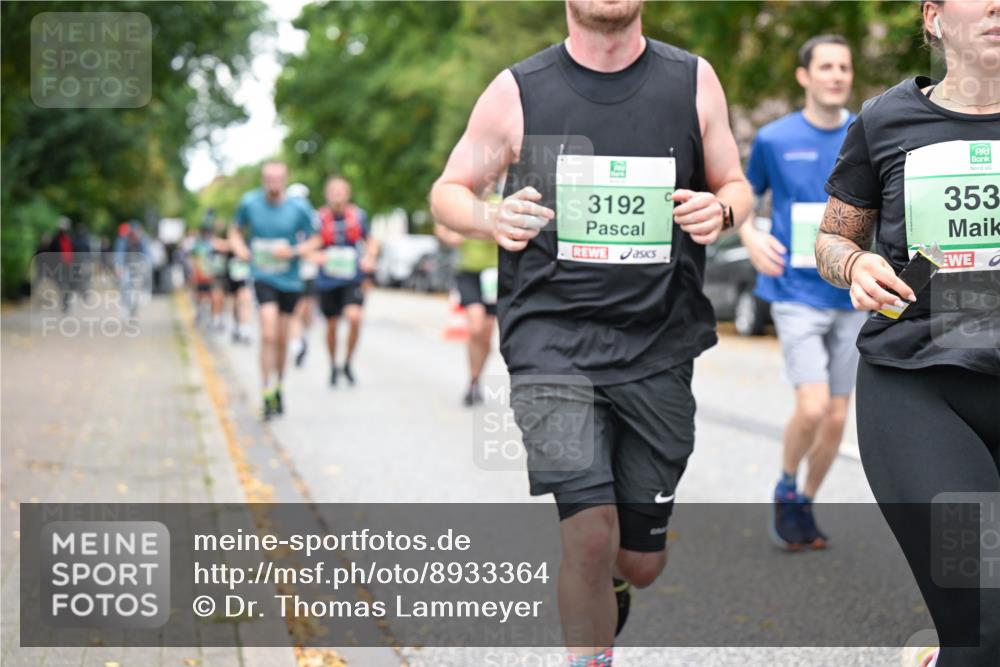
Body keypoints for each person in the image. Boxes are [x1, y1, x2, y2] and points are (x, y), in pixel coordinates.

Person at [430, 1, 752, 662]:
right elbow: (448, 189)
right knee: (586, 534)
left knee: (638, 560)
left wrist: (719, 209)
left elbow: (737, 185)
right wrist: (490, 218)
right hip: (551, 340)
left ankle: (613, 582)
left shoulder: (692, 80)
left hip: (659, 343)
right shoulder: (519, 91)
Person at [816, 2, 999, 666]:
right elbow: (834, 237)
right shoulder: (887, 120)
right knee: (987, 620)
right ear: (934, 17)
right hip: (921, 390)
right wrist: (857, 263)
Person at [740, 34, 867, 550]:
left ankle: (804, 500)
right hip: (794, 290)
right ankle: (787, 483)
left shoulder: (868, 130)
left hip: (853, 291)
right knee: (813, 406)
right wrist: (749, 235)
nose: (837, 75)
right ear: (804, 76)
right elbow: (743, 198)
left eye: (844, 66)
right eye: (826, 66)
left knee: (838, 416)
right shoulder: (773, 138)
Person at [229, 161, 321, 419]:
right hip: (263, 275)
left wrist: (292, 251)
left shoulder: (299, 207)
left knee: (281, 338)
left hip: (290, 280)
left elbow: (317, 238)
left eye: (277, 178)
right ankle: (265, 389)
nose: (273, 183)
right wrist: (240, 249)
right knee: (268, 332)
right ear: (262, 179)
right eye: (268, 178)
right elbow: (235, 231)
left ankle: (279, 385)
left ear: (285, 179)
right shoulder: (250, 203)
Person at [434, 185, 500, 406]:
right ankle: (472, 380)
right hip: (468, 272)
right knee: (475, 325)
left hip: (493, 274)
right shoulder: (464, 202)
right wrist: (451, 236)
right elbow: (441, 225)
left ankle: (475, 380)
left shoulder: (498, 203)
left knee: (487, 334)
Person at [309, 176, 378, 387]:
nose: (338, 196)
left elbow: (371, 242)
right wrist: (316, 257)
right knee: (331, 325)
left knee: (354, 317)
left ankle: (348, 362)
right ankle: (333, 365)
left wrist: (370, 257)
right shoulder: (317, 219)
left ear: (348, 194)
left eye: (342, 191)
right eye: (333, 191)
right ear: (327, 194)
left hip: (352, 278)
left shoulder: (358, 217)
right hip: (327, 281)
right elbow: (306, 247)